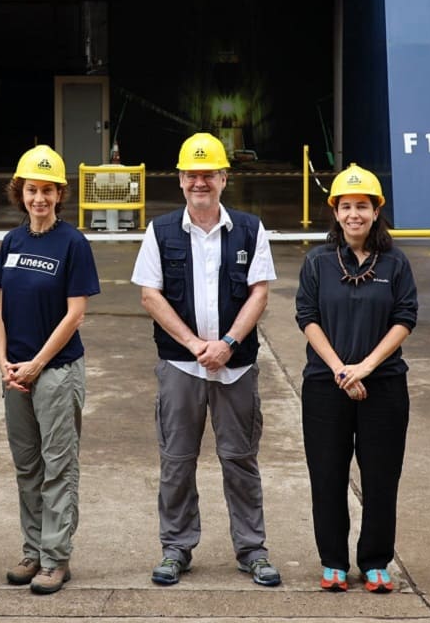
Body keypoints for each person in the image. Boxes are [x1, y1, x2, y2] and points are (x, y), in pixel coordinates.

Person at [130, 132, 280, 588]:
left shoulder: (251, 230)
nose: (200, 182)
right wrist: (195, 345)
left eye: (208, 174)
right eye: (192, 174)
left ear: (223, 179)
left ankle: (252, 549)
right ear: (180, 180)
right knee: (177, 460)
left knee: (240, 459)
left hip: (236, 367)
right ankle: (176, 548)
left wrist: (228, 343)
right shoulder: (160, 231)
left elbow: (260, 293)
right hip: (181, 366)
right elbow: (150, 295)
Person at [295, 164, 418, 594]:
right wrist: (341, 371)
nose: (354, 215)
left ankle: (375, 561)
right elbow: (307, 318)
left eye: (362, 206)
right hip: (326, 383)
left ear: (376, 210)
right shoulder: (317, 261)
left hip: (383, 384)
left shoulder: (396, 263)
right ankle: (332, 560)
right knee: (327, 474)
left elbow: (405, 318)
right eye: (346, 206)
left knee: (382, 475)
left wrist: (365, 367)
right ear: (335, 211)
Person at [0, 144, 100, 595]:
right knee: (27, 465)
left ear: (60, 194)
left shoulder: (72, 243)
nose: (39, 198)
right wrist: (3, 360)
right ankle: (32, 550)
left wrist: (37, 364)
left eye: (47, 190)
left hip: (55, 373)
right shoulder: (12, 242)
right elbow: (0, 306)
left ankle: (56, 558)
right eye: (32, 189)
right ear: (21, 192)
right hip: (15, 373)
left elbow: (75, 313)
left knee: (58, 467)